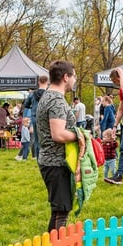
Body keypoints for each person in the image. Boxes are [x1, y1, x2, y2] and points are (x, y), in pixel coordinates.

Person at [36, 60, 80, 232]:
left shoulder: (49, 96)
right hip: (55, 163)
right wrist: (80, 135)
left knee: (59, 210)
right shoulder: (56, 100)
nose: (75, 80)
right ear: (65, 77)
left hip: (52, 161)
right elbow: (58, 134)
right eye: (74, 76)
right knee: (61, 211)